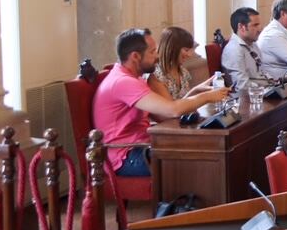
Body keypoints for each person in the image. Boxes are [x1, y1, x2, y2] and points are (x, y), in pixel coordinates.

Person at [92, 28, 230, 176]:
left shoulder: (134, 78)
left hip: (142, 145)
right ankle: (188, 198)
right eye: (152, 52)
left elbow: (164, 116)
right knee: (201, 159)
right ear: (135, 56)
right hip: (125, 155)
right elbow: (172, 110)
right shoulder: (123, 82)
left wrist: (198, 93)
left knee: (207, 148)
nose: (157, 56)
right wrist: (208, 97)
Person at [147, 26, 218, 101]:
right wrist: (203, 96)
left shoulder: (182, 72)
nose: (189, 55)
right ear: (172, 49)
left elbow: (184, 101)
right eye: (186, 50)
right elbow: (172, 110)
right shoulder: (156, 76)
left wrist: (198, 89)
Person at [220, 6, 265, 88]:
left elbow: (262, 72)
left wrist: (273, 83)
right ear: (241, 27)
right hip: (246, 97)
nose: (260, 29)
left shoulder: (253, 44)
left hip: (260, 91)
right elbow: (241, 85)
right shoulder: (233, 50)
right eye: (255, 25)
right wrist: (264, 88)